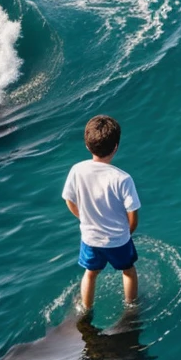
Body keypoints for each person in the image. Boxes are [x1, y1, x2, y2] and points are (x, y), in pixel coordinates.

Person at [62, 114, 140, 311]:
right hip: (118, 240)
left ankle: (86, 308)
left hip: (90, 237)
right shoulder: (122, 178)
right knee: (128, 272)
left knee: (90, 273)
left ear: (87, 146)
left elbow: (68, 199)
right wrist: (126, 232)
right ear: (116, 147)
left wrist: (83, 218)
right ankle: (131, 307)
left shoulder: (77, 170)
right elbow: (133, 214)